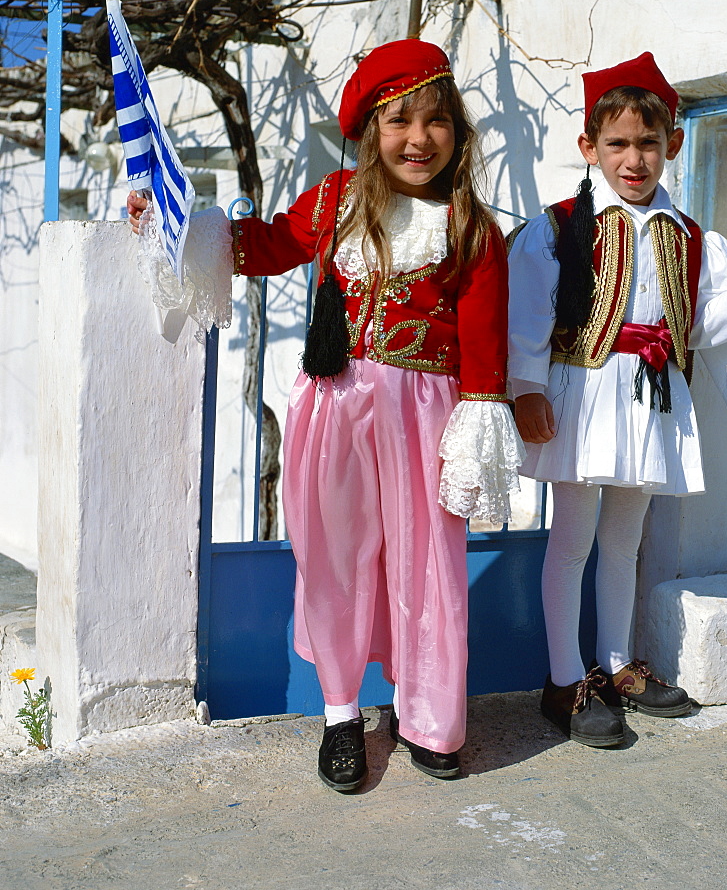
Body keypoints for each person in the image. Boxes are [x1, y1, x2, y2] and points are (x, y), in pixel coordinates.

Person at [129, 39, 522, 789]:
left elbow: (485, 343)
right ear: (372, 130)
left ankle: (429, 719)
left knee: (428, 561)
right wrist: (168, 227)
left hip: (424, 414)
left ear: (458, 132)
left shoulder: (474, 229)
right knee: (333, 558)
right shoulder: (336, 201)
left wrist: (479, 418)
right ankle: (341, 713)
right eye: (400, 121)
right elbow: (266, 245)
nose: (419, 138)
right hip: (336, 403)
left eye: (437, 121)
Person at [508, 52, 727, 747]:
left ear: (672, 146)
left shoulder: (692, 239)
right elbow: (528, 314)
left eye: (648, 143)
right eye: (618, 143)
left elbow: (710, 324)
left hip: (651, 400)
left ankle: (618, 664)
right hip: (582, 394)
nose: (635, 158)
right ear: (589, 148)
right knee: (571, 539)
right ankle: (565, 679)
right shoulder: (560, 226)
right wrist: (525, 387)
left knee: (625, 539)